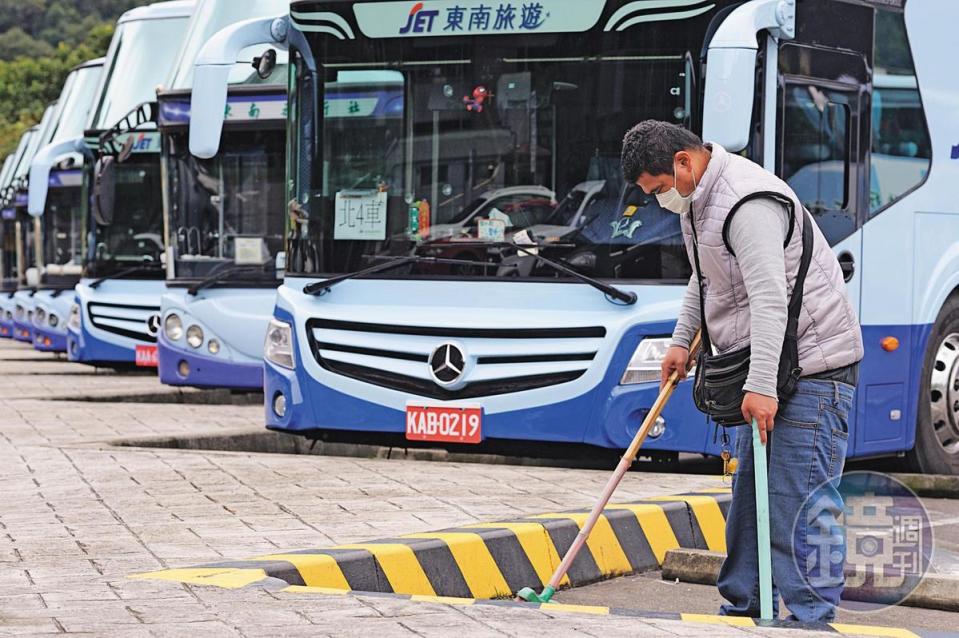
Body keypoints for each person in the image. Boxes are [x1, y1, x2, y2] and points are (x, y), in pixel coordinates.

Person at [621, 120, 863, 623]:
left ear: (684, 162)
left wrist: (759, 388)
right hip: (775, 361)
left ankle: (809, 618)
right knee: (751, 502)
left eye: (660, 188)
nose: (661, 200)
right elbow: (704, 277)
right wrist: (681, 342)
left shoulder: (746, 203)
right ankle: (748, 607)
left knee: (798, 501)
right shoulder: (699, 201)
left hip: (812, 366)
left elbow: (770, 301)